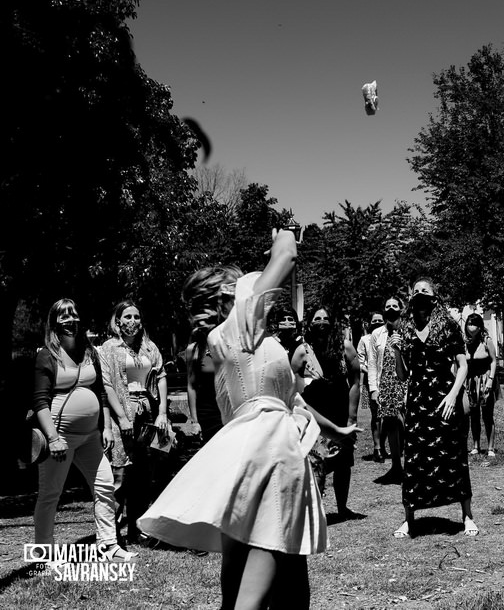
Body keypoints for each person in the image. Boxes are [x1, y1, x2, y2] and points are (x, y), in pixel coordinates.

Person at [138, 230, 361, 609]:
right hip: (272, 455)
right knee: (255, 588)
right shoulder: (238, 324)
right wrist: (283, 236)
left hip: (250, 453)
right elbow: (288, 255)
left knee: (285, 577)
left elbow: (287, 401)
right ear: (230, 296)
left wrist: (335, 430)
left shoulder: (238, 342)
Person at [32, 299, 134, 561]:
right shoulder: (47, 355)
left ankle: (109, 545)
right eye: (63, 316)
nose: (70, 320)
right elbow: (40, 401)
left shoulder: (89, 351)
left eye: (73, 315)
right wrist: (53, 438)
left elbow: (100, 391)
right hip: (59, 436)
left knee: (105, 485)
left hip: (90, 436)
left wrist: (107, 427)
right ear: (54, 322)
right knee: (50, 494)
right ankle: (43, 556)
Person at [389, 277, 476, 539]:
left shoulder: (448, 325)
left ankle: (467, 515)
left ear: (434, 296)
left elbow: (463, 366)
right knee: (414, 457)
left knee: (453, 454)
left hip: (444, 396)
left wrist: (452, 396)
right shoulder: (404, 327)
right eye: (416, 291)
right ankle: (408, 518)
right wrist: (396, 352)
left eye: (425, 291)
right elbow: (403, 376)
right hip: (418, 400)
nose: (420, 294)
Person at [99, 300, 169, 547]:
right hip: (122, 415)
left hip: (147, 415)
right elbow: (106, 385)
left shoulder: (149, 347)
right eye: (127, 317)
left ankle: (137, 530)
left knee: (142, 475)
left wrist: (162, 413)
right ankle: (110, 536)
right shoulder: (109, 348)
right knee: (119, 476)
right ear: (117, 321)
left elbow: (160, 376)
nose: (132, 322)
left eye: (136, 317)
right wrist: (121, 417)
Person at [299, 306, 362, 520]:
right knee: (316, 460)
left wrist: (351, 417)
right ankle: (315, 511)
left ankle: (342, 508)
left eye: (326, 318)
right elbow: (291, 384)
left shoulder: (345, 348)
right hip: (315, 411)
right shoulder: (303, 351)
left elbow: (355, 381)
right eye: (317, 318)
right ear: (309, 323)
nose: (322, 322)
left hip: (340, 408)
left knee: (343, 461)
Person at [182, 266, 242, 443]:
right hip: (209, 415)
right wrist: (194, 419)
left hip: (239, 416)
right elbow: (192, 386)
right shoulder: (195, 348)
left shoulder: (242, 343)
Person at [369, 296, 406, 484]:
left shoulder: (409, 330)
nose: (391, 308)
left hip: (405, 381)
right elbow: (373, 364)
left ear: (401, 308)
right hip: (386, 382)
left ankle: (411, 464)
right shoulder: (377, 334)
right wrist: (374, 389)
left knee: (406, 422)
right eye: (387, 305)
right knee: (390, 423)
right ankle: (396, 466)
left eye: (395, 306)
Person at [464, 313, 498, 461]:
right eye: (469, 324)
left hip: (485, 379)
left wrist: (490, 380)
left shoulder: (487, 341)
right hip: (471, 381)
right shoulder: (465, 343)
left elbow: (493, 361)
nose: (471, 327)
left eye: (474, 324)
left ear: (480, 327)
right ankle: (476, 446)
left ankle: (490, 447)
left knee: (487, 415)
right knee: (474, 415)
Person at [357, 312, 387, 463]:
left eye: (379, 320)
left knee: (389, 415)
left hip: (388, 380)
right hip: (371, 381)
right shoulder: (364, 340)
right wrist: (371, 372)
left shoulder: (387, 336)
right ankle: (377, 448)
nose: (376, 322)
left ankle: (384, 445)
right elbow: (360, 361)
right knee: (376, 415)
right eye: (374, 321)